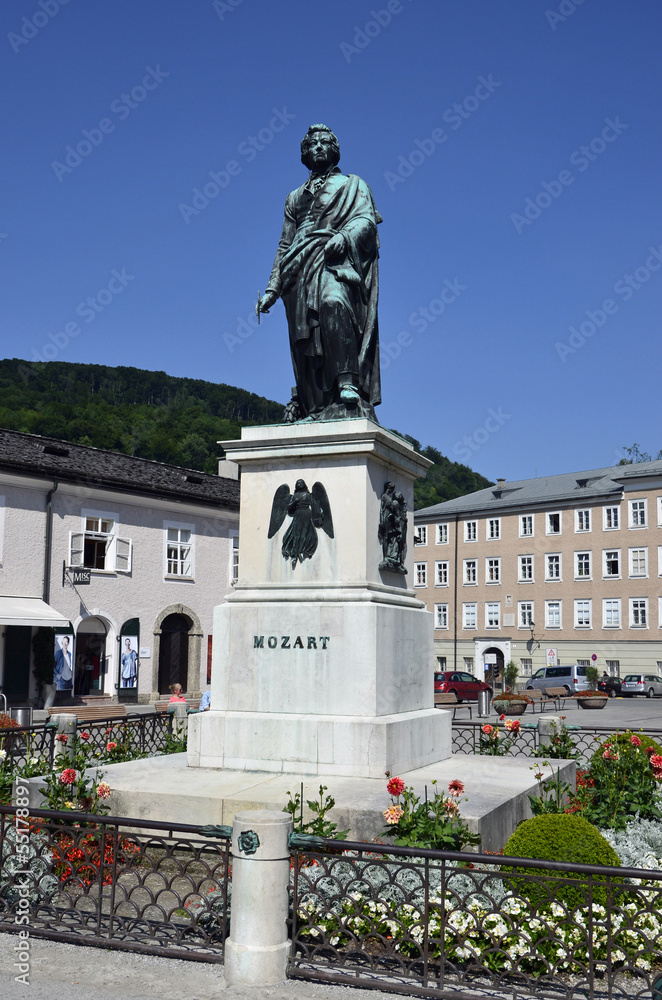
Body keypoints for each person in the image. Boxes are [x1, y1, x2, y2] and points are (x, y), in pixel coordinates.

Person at [257, 124, 382, 422]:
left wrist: (346, 236)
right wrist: (273, 288)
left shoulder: (353, 185)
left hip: (335, 260)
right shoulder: (293, 197)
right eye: (312, 144)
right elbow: (284, 243)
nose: (318, 147)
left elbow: (366, 221)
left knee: (333, 302)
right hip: (297, 270)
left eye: (325, 142)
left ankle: (347, 381)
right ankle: (316, 405)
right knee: (305, 339)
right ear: (304, 154)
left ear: (335, 150)